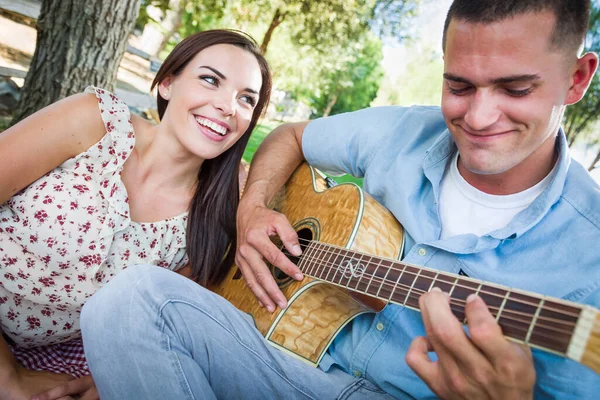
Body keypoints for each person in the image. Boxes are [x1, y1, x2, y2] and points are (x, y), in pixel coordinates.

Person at [80, 0, 600, 398]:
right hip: (286, 359)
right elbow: (289, 136)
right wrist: (254, 208)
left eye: (514, 90)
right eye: (459, 86)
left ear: (576, 79)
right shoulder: (400, 131)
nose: (480, 116)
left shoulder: (589, 257)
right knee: (129, 299)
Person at [0, 29, 272, 400]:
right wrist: (7, 375)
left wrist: (102, 378)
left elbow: (151, 322)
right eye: (210, 80)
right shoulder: (95, 123)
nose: (228, 106)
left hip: (61, 358)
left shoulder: (217, 212)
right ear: (167, 83)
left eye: (246, 99)